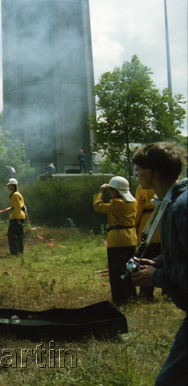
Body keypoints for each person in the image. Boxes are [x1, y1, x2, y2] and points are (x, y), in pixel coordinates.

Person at [130, 142, 187, 385]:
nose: (136, 174)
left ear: (150, 172)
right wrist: (158, 262)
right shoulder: (173, 201)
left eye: (138, 169)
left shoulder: (182, 207)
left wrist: (156, 277)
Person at [93, 176, 137, 305]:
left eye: (112, 190)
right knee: (130, 268)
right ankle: (131, 295)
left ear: (116, 191)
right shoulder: (133, 202)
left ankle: (120, 299)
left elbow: (98, 206)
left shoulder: (117, 203)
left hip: (118, 239)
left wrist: (101, 192)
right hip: (131, 238)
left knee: (116, 271)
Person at [133, 185, 161, 300]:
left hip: (148, 226)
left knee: (146, 260)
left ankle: (146, 292)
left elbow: (138, 209)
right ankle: (169, 291)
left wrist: (134, 226)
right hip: (163, 227)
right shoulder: (170, 184)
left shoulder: (143, 187)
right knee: (167, 260)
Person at [6, 178, 26, 255]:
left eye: (9, 185)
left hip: (16, 217)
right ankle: (20, 251)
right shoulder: (18, 194)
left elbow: (17, 206)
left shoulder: (15, 195)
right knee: (19, 234)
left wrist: (17, 218)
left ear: (13, 186)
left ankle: (14, 252)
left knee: (12, 235)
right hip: (20, 215)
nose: (8, 187)